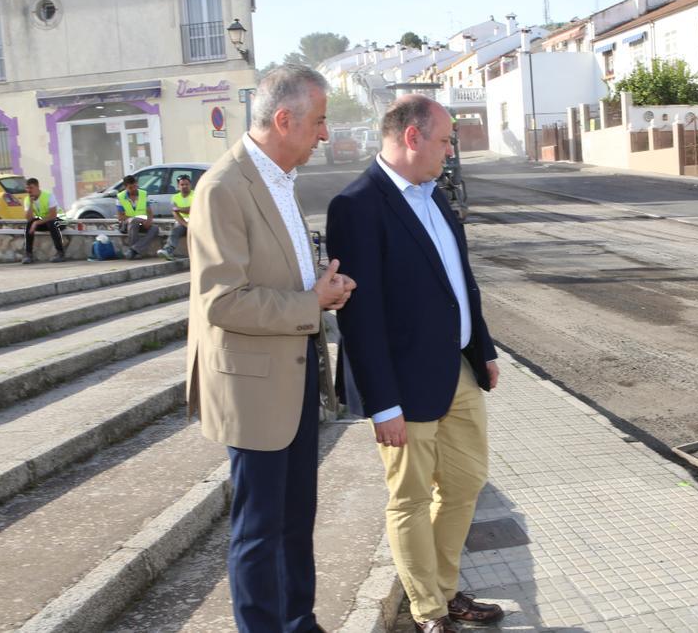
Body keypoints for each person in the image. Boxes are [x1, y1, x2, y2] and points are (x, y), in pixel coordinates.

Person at [187, 64, 354, 633]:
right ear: (284, 120)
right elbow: (221, 301)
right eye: (320, 122)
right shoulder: (223, 188)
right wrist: (313, 303)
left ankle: (300, 622)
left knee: (295, 519)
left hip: (296, 371)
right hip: (254, 386)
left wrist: (322, 291)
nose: (325, 134)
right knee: (259, 530)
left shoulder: (281, 179)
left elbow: (281, 279)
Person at [326, 95, 502, 633]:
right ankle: (428, 610)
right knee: (409, 498)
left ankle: (445, 592)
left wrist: (484, 348)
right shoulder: (356, 205)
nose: (450, 152)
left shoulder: (436, 197)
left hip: (458, 370)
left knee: (467, 482)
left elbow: (459, 283)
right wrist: (383, 404)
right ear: (411, 137)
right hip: (404, 383)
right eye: (445, 140)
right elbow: (361, 318)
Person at [21, 177, 65, 264]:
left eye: (31, 188)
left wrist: (36, 223)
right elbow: (28, 218)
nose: (29, 190)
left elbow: (53, 215)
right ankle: (28, 254)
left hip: (60, 220)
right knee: (30, 223)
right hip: (46, 221)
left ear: (37, 187)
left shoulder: (48, 196)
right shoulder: (27, 199)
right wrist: (31, 203)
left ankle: (60, 253)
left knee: (51, 223)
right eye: (27, 188)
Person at [116, 174, 160, 259]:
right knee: (133, 221)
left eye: (135, 186)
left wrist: (148, 221)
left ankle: (133, 250)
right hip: (127, 224)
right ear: (125, 187)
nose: (133, 189)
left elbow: (149, 212)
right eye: (130, 188)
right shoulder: (120, 197)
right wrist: (138, 219)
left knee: (155, 229)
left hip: (141, 223)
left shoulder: (143, 194)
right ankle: (135, 252)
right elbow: (121, 217)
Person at [158, 174, 193, 260]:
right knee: (175, 230)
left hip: (196, 220)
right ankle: (168, 250)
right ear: (178, 186)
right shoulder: (175, 198)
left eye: (186, 184)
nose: (184, 186)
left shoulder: (196, 194)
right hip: (183, 222)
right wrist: (186, 224)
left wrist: (179, 209)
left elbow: (194, 209)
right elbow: (175, 214)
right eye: (182, 184)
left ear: (190, 185)